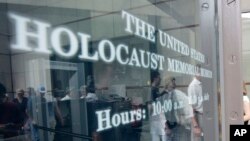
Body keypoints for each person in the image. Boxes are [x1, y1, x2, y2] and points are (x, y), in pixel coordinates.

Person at [149, 71, 166, 141]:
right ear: (155, 78)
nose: (160, 79)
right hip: (155, 120)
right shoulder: (151, 90)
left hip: (158, 119)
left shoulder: (156, 89)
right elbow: (151, 107)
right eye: (159, 77)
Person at [188, 67, 203, 141]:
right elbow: (191, 107)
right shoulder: (193, 86)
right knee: (198, 138)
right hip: (198, 117)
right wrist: (195, 125)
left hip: (204, 116)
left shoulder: (202, 84)